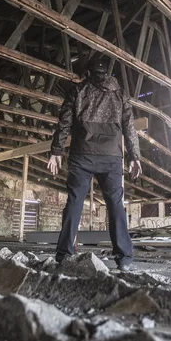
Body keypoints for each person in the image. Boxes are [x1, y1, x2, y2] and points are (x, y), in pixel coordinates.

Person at [48, 57, 142, 271]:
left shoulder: (78, 91)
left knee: (74, 202)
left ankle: (64, 255)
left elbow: (64, 123)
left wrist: (56, 151)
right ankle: (124, 259)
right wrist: (134, 156)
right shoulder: (120, 94)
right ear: (107, 74)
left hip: (82, 154)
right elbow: (129, 127)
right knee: (115, 204)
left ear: (88, 73)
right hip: (111, 157)